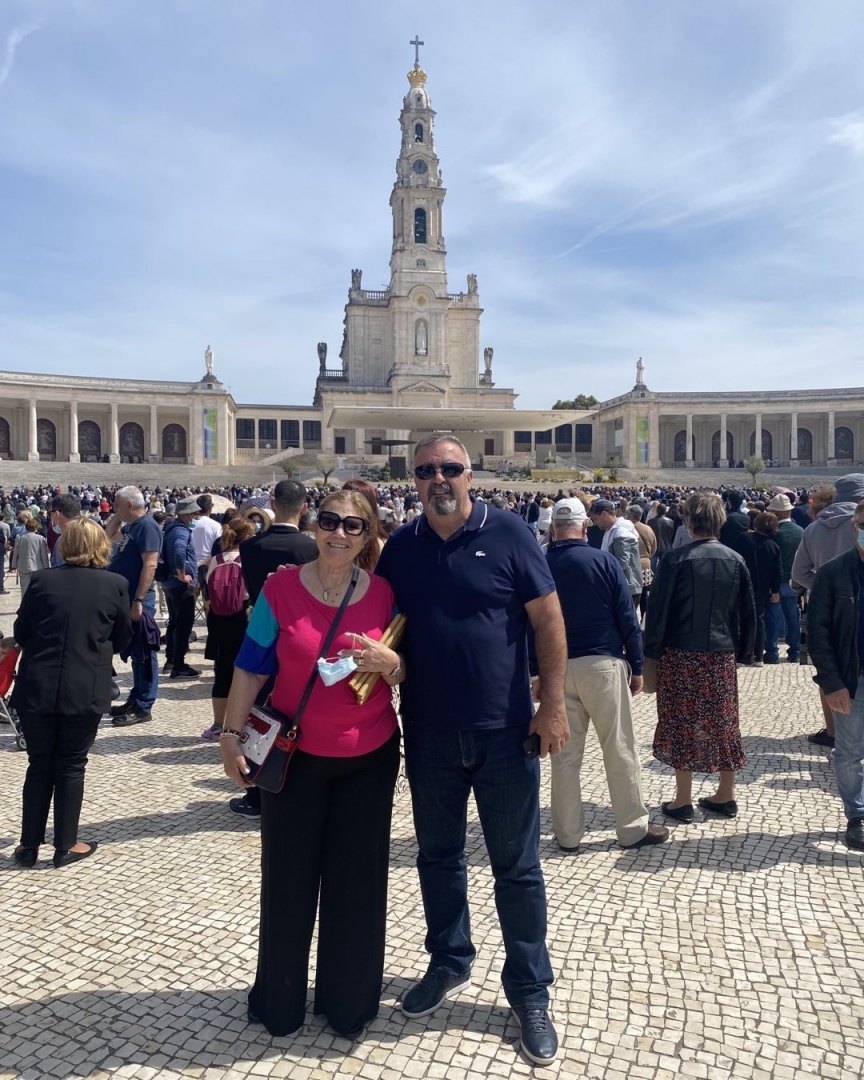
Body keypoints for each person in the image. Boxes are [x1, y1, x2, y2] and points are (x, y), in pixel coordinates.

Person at [376, 434, 568, 1066]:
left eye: (450, 469)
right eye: (427, 470)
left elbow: (547, 621)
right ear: (414, 478)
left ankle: (529, 989)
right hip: (428, 729)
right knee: (438, 857)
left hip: (505, 730)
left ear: (470, 474)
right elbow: (386, 632)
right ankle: (450, 958)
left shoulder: (510, 532)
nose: (439, 479)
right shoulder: (400, 548)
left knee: (517, 867)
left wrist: (554, 704)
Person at [220, 490, 402, 1038]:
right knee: (288, 879)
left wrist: (393, 665)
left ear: (368, 536)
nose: (339, 534)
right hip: (294, 759)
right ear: (313, 524)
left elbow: (400, 674)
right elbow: (250, 668)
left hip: (368, 756)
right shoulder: (279, 589)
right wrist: (231, 736)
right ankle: (280, 999)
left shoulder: (385, 593)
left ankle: (348, 1003)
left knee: (356, 882)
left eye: (353, 526)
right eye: (329, 522)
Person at [536, 498, 668, 851]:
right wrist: (637, 666)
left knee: (564, 755)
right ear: (584, 526)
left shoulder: (541, 564)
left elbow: (527, 624)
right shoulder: (603, 561)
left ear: (553, 528)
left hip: (558, 668)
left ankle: (567, 834)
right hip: (603, 662)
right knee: (620, 748)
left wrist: (536, 673)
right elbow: (627, 616)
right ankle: (631, 828)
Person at [11, 518, 132, 868]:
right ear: (101, 545)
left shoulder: (42, 580)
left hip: (38, 684)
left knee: (39, 766)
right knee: (71, 765)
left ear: (65, 545)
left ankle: (28, 846)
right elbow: (124, 636)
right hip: (85, 685)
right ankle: (65, 844)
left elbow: (22, 630)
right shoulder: (115, 584)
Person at [644, 493, 756, 821]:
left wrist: (651, 652)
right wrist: (746, 651)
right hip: (721, 654)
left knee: (681, 721)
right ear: (719, 520)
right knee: (724, 720)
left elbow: (658, 612)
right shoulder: (735, 560)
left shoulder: (676, 560)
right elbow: (749, 613)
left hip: (680, 653)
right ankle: (726, 794)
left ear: (688, 520)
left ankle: (683, 800)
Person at [229, 479, 319, 817]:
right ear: (305, 506)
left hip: (262, 630)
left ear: (271, 502)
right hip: (303, 636)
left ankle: (259, 788)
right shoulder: (310, 548)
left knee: (262, 714)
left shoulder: (251, 546)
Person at [807, 500, 864, 851]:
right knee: (849, 752)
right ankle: (858, 815)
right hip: (852, 678)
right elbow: (818, 632)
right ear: (854, 528)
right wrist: (831, 682)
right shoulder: (832, 573)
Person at [792, 474, 864, 748]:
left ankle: (834, 732)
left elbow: (798, 573)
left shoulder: (814, 527)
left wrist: (823, 591)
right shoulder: (859, 524)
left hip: (824, 612)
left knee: (828, 667)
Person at [108, 486, 163, 725]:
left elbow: (150, 565)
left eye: (117, 505)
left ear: (129, 505)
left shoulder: (147, 526)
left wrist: (138, 600)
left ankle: (144, 705)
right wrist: (117, 516)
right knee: (134, 652)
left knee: (144, 651)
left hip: (139, 599)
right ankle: (136, 696)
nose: (114, 509)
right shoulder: (131, 527)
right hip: (126, 598)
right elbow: (108, 534)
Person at [201, 517, 255, 741]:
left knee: (221, 673)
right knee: (243, 674)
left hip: (218, 620)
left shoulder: (216, 559)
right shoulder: (248, 559)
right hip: (241, 618)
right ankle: (241, 724)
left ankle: (216, 725)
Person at [734, 512, 782, 668]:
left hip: (742, 583)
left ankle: (743, 654)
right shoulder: (773, 546)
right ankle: (758, 655)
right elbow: (778, 570)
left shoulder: (744, 538)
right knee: (758, 619)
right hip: (763, 586)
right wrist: (775, 590)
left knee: (741, 618)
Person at [161, 494, 200, 679]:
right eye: (193, 514)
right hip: (180, 585)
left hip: (170, 584)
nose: (195, 517)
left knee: (175, 622)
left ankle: (171, 659)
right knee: (184, 624)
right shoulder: (181, 531)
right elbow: (178, 551)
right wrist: (181, 573)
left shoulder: (172, 528)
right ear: (186, 514)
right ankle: (178, 663)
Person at [764, 494, 805, 664]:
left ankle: (772, 652)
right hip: (794, 581)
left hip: (774, 582)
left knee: (772, 618)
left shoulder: (771, 534)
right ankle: (795, 652)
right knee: (793, 618)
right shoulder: (801, 531)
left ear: (776, 513)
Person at [588, 499, 642, 606]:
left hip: (626, 587)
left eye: (596, 519)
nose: (595, 523)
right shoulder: (612, 530)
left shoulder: (621, 532)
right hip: (620, 586)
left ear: (604, 514)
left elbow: (621, 563)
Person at [10, 517, 49, 595]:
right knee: (36, 590)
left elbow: (16, 553)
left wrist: (14, 565)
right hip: (37, 566)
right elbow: (44, 555)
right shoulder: (40, 539)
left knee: (24, 590)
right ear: (36, 528)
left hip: (23, 566)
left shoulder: (19, 537)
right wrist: (46, 568)